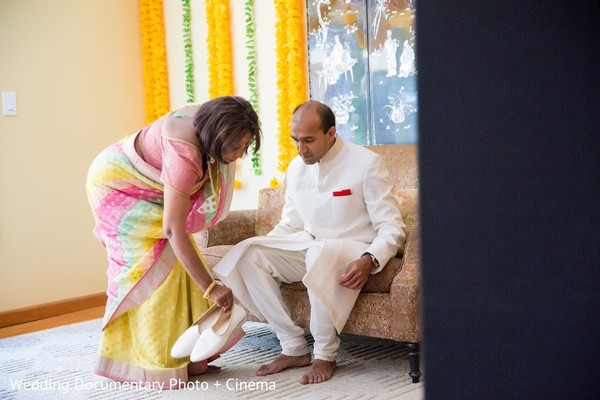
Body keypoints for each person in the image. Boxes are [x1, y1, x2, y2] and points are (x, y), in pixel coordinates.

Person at [214, 100, 405, 384]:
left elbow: (392, 226)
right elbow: (290, 224)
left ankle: (325, 355)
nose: (301, 149)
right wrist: (265, 248)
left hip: (352, 247)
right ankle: (293, 347)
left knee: (318, 254)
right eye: (296, 141)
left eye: (309, 140)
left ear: (331, 133)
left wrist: (370, 259)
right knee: (248, 252)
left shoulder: (366, 163)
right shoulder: (296, 167)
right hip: (309, 244)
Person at [86, 96, 261, 389]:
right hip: (116, 186)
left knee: (181, 264)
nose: (240, 154)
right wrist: (211, 287)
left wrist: (205, 283)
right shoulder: (185, 153)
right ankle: (151, 363)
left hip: (143, 186)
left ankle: (189, 359)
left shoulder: (207, 123)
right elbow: (173, 230)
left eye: (246, 146)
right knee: (151, 270)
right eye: (235, 146)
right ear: (216, 135)